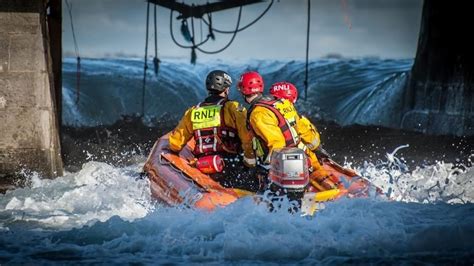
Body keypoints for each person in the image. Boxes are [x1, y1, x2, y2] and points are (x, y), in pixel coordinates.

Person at [237, 72, 335, 198]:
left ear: (242, 90)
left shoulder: (258, 114)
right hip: (304, 157)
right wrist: (318, 149)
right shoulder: (283, 103)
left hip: (285, 164)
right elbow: (303, 128)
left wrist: (266, 167)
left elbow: (277, 143)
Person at [168, 70, 258, 191]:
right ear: (226, 89)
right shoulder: (232, 108)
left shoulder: (193, 111)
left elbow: (175, 144)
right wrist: (250, 162)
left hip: (202, 166)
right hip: (230, 166)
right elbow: (246, 137)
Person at [269, 81, 336, 191]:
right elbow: (311, 139)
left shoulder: (267, 114)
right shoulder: (296, 117)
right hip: (302, 160)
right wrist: (319, 150)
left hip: (279, 161)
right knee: (318, 173)